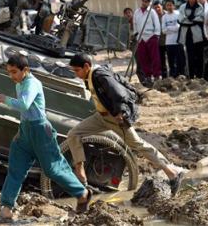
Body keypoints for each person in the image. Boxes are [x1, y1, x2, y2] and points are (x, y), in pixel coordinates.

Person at [0, 53, 92, 223]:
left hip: (40, 130)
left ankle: (82, 194)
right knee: (15, 169)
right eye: (9, 72)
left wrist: (6, 100)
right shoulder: (20, 83)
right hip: (25, 131)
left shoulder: (32, 83)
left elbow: (24, 104)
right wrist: (21, 129)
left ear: (26, 70)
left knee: (53, 168)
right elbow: (25, 112)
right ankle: (6, 209)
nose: (11, 76)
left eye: (14, 72)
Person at [67, 53, 185, 196]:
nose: (76, 74)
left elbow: (118, 93)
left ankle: (172, 173)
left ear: (86, 66)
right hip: (100, 117)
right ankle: (80, 171)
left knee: (137, 144)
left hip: (115, 118)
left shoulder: (99, 75)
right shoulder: (90, 76)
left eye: (77, 71)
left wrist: (120, 112)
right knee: (74, 134)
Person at [133, 0, 161, 86]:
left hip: (151, 36)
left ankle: (157, 75)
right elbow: (135, 25)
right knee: (143, 58)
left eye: (146, 2)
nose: (144, 3)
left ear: (149, 2)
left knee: (154, 57)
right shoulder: (137, 12)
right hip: (141, 38)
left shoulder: (151, 12)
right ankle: (148, 76)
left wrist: (156, 35)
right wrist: (136, 36)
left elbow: (156, 24)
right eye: (143, 1)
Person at [178, 0, 205, 79]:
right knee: (190, 56)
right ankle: (191, 76)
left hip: (198, 35)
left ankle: (200, 76)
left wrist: (189, 20)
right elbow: (181, 20)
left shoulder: (200, 7)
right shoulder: (182, 7)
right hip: (187, 35)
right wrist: (192, 21)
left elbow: (201, 19)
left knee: (199, 56)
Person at [162, 0, 185, 77]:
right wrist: (174, 28)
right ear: (165, 7)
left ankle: (181, 75)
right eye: (167, 5)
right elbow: (164, 30)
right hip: (169, 42)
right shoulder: (164, 17)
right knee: (171, 61)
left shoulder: (178, 14)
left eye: (171, 5)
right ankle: (173, 76)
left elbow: (180, 27)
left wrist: (169, 28)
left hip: (178, 41)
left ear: (174, 6)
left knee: (180, 60)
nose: (169, 7)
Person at [124, 7, 145, 84]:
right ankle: (142, 78)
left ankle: (144, 77)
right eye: (126, 13)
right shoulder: (125, 24)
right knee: (138, 61)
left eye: (129, 12)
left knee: (142, 61)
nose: (128, 14)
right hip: (133, 45)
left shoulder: (136, 22)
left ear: (132, 13)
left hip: (140, 43)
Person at [153, 0, 168, 78]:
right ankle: (164, 75)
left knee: (172, 59)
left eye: (158, 7)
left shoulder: (167, 14)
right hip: (159, 43)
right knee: (162, 60)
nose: (157, 9)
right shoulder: (153, 17)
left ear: (161, 6)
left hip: (169, 41)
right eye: (155, 8)